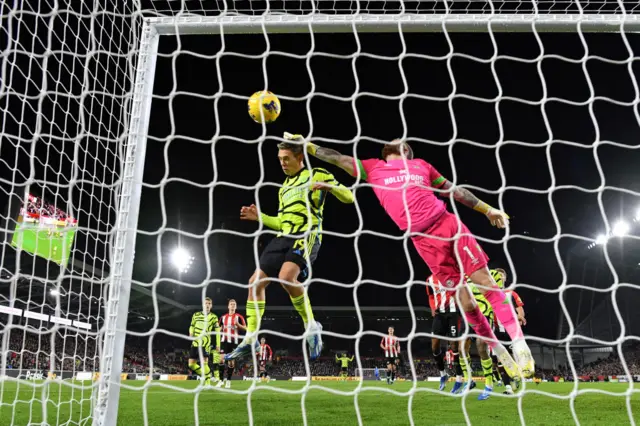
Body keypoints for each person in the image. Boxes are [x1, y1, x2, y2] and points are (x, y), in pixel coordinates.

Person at [286, 132, 535, 378]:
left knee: (485, 281)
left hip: (448, 225)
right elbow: (337, 158)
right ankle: (497, 348)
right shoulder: (373, 168)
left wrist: (488, 210)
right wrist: (307, 145)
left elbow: (455, 191)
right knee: (466, 301)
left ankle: (519, 344)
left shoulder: (422, 166)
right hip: (423, 241)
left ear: (406, 150)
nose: (394, 138)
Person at [225, 142, 355, 363]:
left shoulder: (318, 173)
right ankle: (251, 338)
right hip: (283, 236)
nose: (282, 163)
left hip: (307, 234)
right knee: (254, 282)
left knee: (287, 277)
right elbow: (281, 222)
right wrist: (261, 218)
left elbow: (349, 197)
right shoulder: (284, 188)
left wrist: (330, 188)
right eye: (279, 159)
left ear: (299, 157)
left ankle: (312, 327)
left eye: (286, 158)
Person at [427, 274, 464, 392]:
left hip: (453, 314)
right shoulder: (430, 280)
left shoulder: (451, 273)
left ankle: (459, 379)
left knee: (454, 346)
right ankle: (443, 375)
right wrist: (433, 308)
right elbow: (431, 295)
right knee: (434, 346)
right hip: (439, 315)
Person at [187, 297, 220, 386]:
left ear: (211, 305)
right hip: (195, 343)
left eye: (209, 303)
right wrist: (191, 332)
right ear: (203, 305)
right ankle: (207, 375)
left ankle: (207, 383)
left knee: (204, 362)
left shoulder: (214, 317)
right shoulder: (196, 315)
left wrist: (218, 344)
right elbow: (192, 325)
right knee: (191, 365)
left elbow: (217, 331)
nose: (207, 305)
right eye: (206, 303)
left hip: (205, 343)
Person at [217, 299, 246, 389]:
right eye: (231, 304)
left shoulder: (239, 317)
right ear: (228, 306)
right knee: (221, 360)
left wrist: (238, 325)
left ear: (236, 307)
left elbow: (246, 328)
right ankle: (221, 380)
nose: (232, 306)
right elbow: (219, 329)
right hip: (224, 341)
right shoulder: (223, 317)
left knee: (231, 362)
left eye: (234, 304)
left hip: (234, 342)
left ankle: (228, 381)